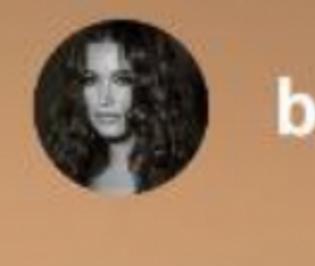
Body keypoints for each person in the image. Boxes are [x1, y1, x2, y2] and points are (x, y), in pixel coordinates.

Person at [37, 23, 202, 196]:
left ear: (150, 86)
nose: (105, 98)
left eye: (122, 80)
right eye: (91, 79)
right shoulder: (70, 173)